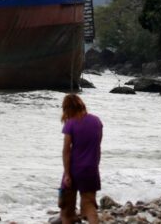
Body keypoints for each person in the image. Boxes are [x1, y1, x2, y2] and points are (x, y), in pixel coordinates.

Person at [59, 93, 102, 224]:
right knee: (89, 206)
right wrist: (95, 166)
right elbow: (98, 147)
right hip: (91, 169)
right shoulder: (97, 121)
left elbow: (66, 150)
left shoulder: (70, 124)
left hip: (74, 169)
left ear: (67, 108)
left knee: (66, 210)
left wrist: (67, 173)